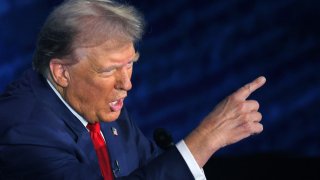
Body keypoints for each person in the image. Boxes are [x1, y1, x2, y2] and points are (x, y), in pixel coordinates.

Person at [0, 0, 266, 179]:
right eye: (109, 70)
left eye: (129, 65)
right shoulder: (24, 132)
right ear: (62, 72)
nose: (126, 84)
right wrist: (206, 139)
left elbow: (149, 167)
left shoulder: (101, 104)